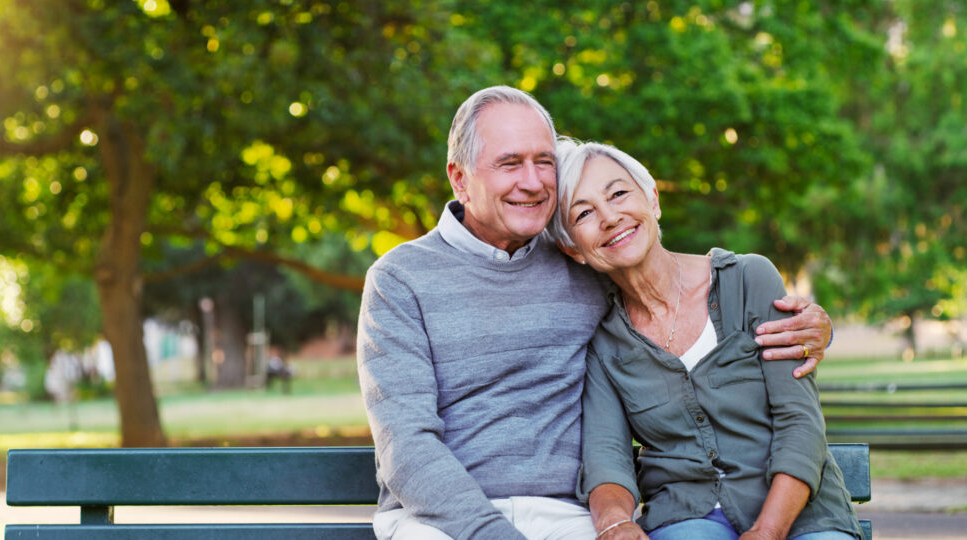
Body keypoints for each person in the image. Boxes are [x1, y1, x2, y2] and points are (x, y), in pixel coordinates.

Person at [356, 85, 834, 540]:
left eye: (543, 161)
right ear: (460, 178)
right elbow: (407, 446)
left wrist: (813, 326)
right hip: (440, 521)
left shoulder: (584, 259)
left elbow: (666, 274)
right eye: (509, 164)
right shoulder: (401, 279)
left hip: (565, 515)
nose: (532, 181)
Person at [548, 139, 862, 540]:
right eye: (585, 213)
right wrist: (617, 523)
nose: (609, 217)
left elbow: (799, 422)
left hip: (803, 515)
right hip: (687, 518)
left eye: (619, 194)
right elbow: (607, 459)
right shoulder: (604, 342)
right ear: (572, 248)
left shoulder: (750, 279)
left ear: (653, 200)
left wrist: (768, 530)